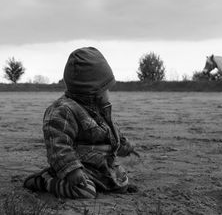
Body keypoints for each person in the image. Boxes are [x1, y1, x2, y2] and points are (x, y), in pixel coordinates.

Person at [23, 47, 138, 199]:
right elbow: (57, 145)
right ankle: (46, 180)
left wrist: (123, 145)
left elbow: (109, 133)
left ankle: (100, 183)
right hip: (80, 167)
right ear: (93, 90)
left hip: (102, 166)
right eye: (106, 89)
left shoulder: (100, 109)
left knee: (122, 181)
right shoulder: (64, 110)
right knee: (85, 191)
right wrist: (71, 169)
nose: (109, 93)